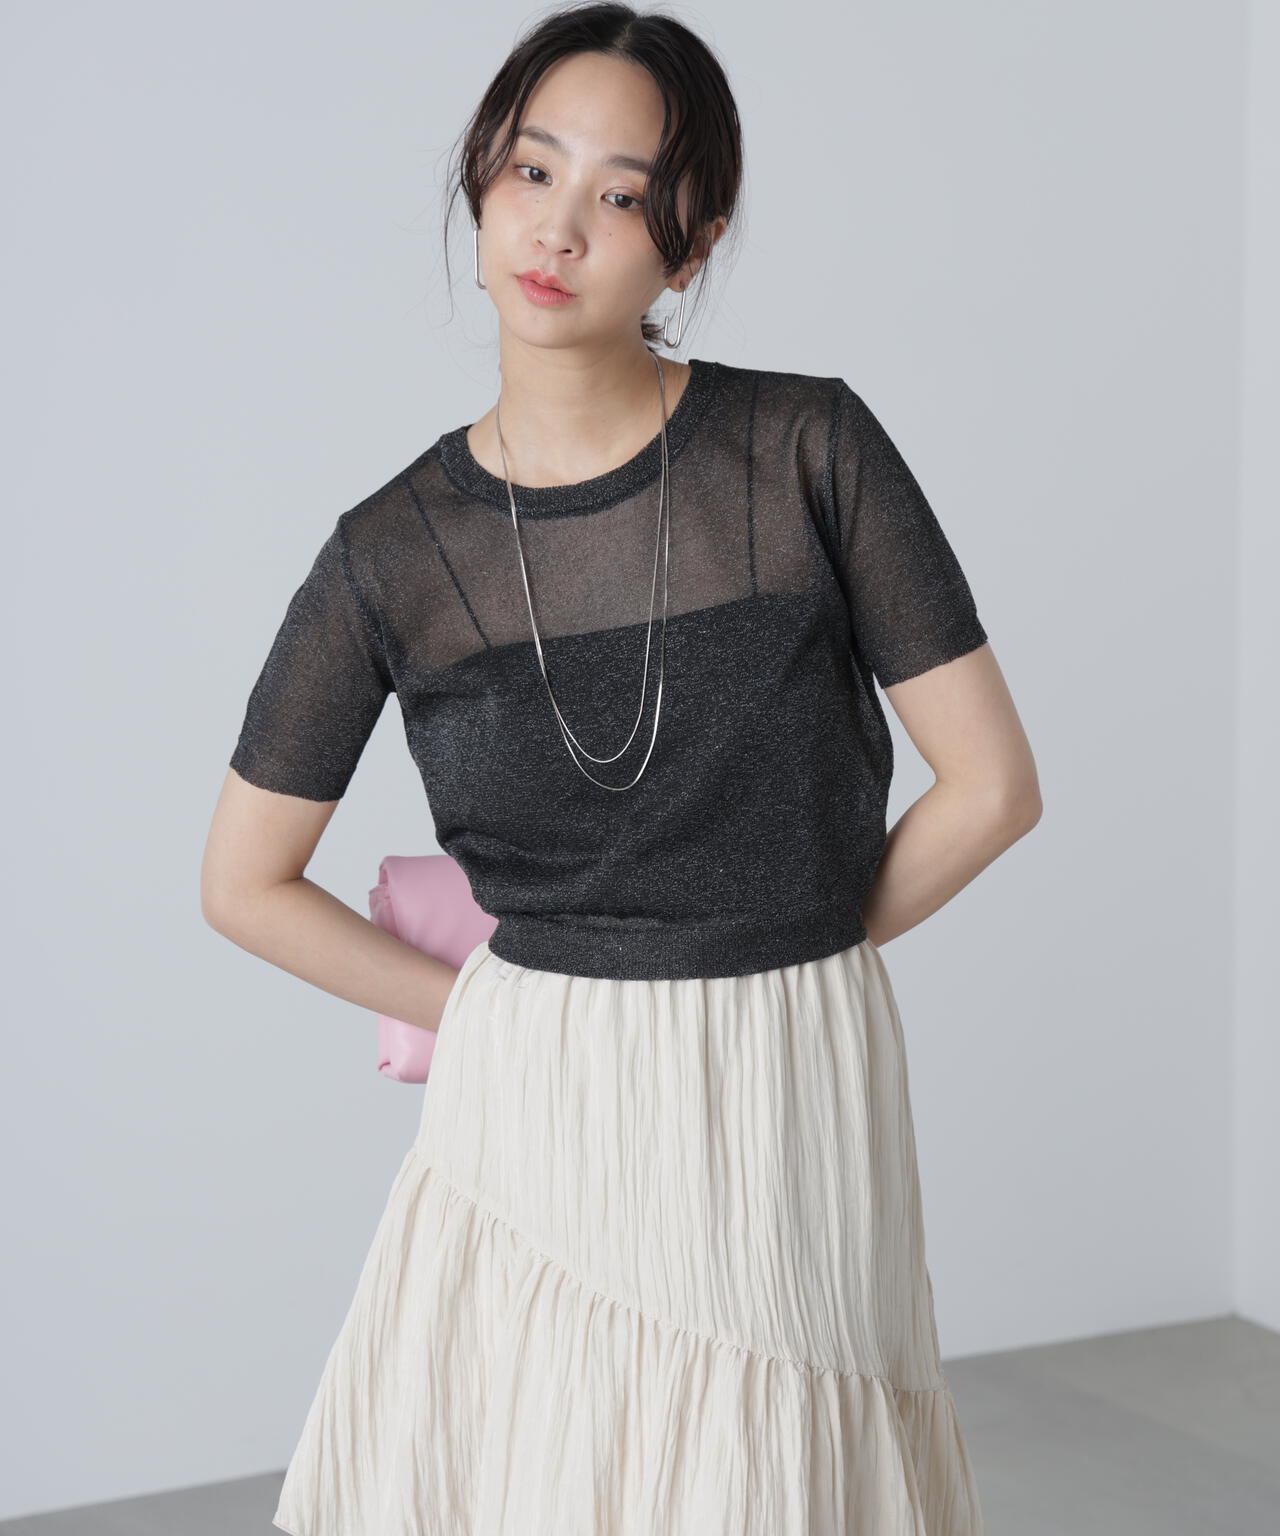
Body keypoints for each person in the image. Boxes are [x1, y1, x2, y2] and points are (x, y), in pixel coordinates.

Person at [201, 5, 1040, 1531]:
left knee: (774, 1473)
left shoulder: (806, 451)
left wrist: (788, 950)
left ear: (692, 243)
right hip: (540, 1093)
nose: (560, 227)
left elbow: (992, 786)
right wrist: (493, 1017)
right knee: (549, 1471)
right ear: (479, 184)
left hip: (787, 1072)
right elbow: (241, 883)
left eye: (624, 193)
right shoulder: (391, 553)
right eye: (531, 170)